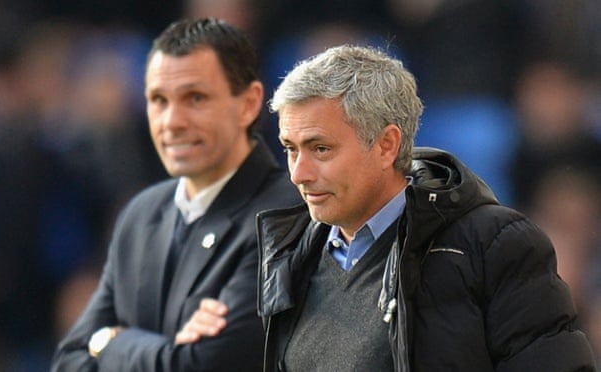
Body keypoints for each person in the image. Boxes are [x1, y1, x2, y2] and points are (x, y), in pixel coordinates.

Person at [193, 45, 597, 370]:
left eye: (320, 148)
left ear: (386, 144)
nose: (299, 173)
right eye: (290, 150)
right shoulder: (285, 257)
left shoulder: (493, 246)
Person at [50, 17, 301, 371]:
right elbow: (68, 361)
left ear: (249, 103)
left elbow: (205, 365)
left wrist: (107, 342)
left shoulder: (286, 214)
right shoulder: (141, 213)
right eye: (158, 100)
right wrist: (167, 350)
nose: (171, 121)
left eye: (194, 98)